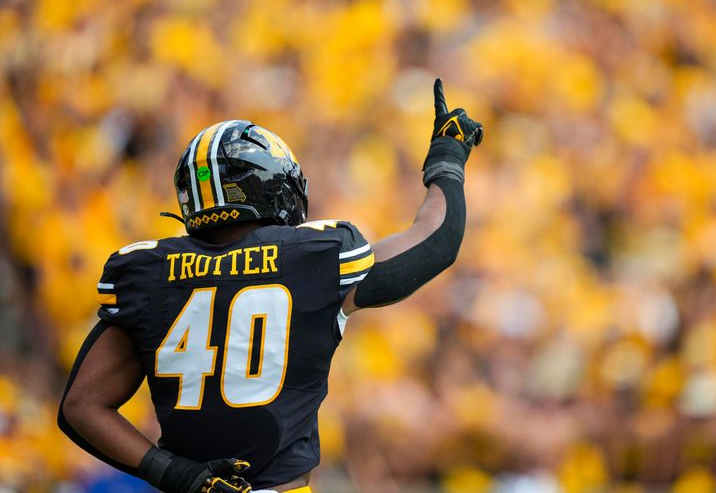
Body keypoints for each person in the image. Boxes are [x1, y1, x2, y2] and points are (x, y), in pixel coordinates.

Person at [57, 79, 483, 493]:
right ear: (275, 187)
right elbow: (437, 241)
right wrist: (448, 157)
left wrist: (175, 475)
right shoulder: (312, 258)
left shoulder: (147, 272)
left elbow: (82, 406)